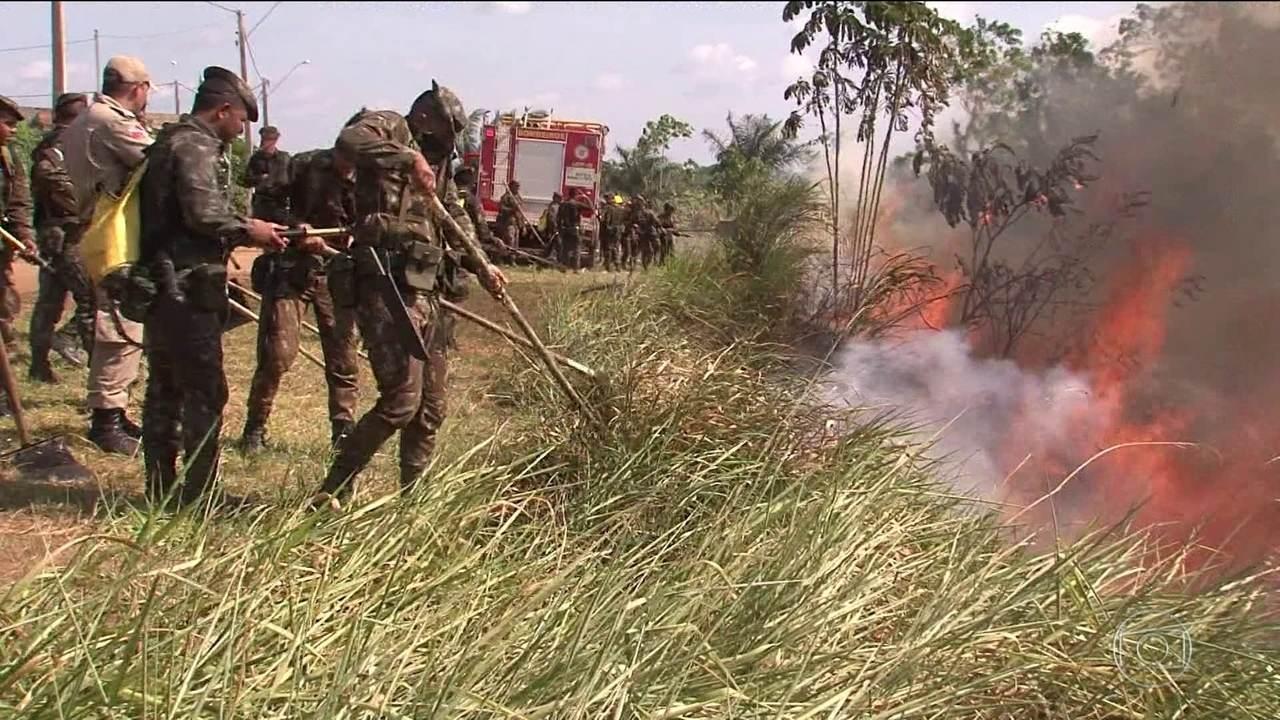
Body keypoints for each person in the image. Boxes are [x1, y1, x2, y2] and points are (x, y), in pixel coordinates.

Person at [314, 81, 507, 508]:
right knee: (402, 399)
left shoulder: (439, 166)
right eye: (443, 131)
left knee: (430, 408)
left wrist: (483, 264)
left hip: (426, 289)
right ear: (424, 117)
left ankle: (411, 503)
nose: (445, 144)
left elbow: (454, 214)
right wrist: (408, 157)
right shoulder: (390, 127)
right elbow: (349, 140)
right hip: (384, 284)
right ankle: (333, 489)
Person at [137, 66, 298, 507]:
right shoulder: (195, 146)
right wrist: (251, 229)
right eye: (240, 119)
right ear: (223, 109)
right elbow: (203, 214)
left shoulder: (169, 141)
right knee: (204, 391)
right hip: (187, 287)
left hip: (164, 283)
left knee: (165, 388)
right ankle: (199, 494)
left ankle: (160, 488)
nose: (241, 129)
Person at [240, 143, 360, 451]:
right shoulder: (302, 165)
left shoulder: (370, 178)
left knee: (344, 358)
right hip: (292, 271)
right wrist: (297, 227)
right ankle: (255, 427)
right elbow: (264, 204)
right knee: (276, 354)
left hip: (339, 275)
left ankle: (343, 433)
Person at [62, 55, 154, 454]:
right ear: (138, 88)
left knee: (120, 323)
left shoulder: (85, 118)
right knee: (119, 325)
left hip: (96, 226)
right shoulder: (112, 121)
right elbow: (157, 160)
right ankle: (106, 421)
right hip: (112, 231)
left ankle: (115, 410)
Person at [28, 93, 93, 384]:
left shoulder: (61, 144)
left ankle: (39, 365)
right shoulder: (59, 146)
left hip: (58, 232)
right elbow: (52, 179)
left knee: (50, 301)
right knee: (89, 299)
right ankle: (98, 370)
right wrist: (86, 202)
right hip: (66, 234)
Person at [0, 95, 37, 370]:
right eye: (8, 123)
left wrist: (24, 236)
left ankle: (7, 358)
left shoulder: (9, 158)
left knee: (5, 301)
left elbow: (18, 203)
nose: (13, 130)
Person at [240, 125, 292, 223]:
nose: (267, 142)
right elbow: (246, 180)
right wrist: (260, 178)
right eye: (265, 139)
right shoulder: (256, 158)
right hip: (262, 204)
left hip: (281, 204)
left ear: (276, 140)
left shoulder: (285, 158)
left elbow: (293, 179)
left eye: (270, 139)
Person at [555, 187, 592, 272]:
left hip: (565, 229)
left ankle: (564, 267)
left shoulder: (563, 204)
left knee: (565, 249)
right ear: (576, 195)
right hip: (575, 229)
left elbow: (558, 218)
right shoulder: (577, 204)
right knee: (576, 249)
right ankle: (575, 268)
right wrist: (585, 197)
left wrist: (559, 229)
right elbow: (590, 208)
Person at [496, 179, 524, 249]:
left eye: (518, 186)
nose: (518, 188)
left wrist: (523, 225)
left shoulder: (518, 197)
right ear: (511, 186)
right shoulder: (506, 197)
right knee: (510, 242)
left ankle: (514, 254)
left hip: (516, 224)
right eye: (516, 186)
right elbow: (501, 209)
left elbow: (521, 213)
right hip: (508, 223)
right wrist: (512, 210)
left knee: (515, 244)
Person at [658, 201, 678, 266]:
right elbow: (658, 225)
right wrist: (663, 230)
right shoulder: (661, 216)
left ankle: (673, 265)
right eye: (669, 209)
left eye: (672, 210)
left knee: (672, 251)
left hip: (671, 235)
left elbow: (675, 226)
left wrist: (673, 230)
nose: (671, 211)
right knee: (663, 251)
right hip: (663, 235)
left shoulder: (673, 217)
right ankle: (661, 264)